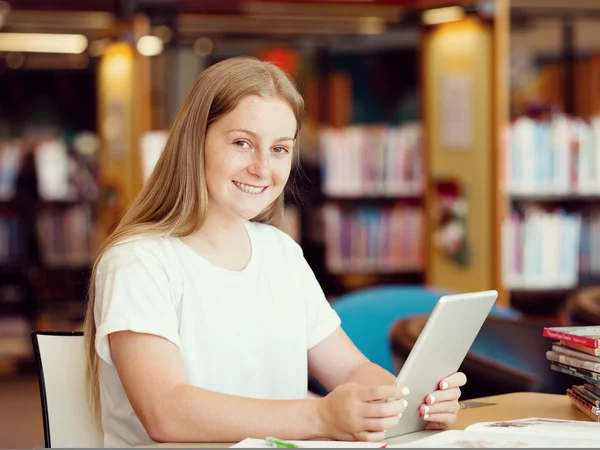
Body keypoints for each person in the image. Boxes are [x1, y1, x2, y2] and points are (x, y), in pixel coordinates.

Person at [83, 56, 466, 448]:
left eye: (280, 149)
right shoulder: (138, 260)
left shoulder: (280, 252)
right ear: (194, 142)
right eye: (242, 143)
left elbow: (350, 368)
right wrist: (319, 415)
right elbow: (166, 412)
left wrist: (407, 400)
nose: (262, 168)